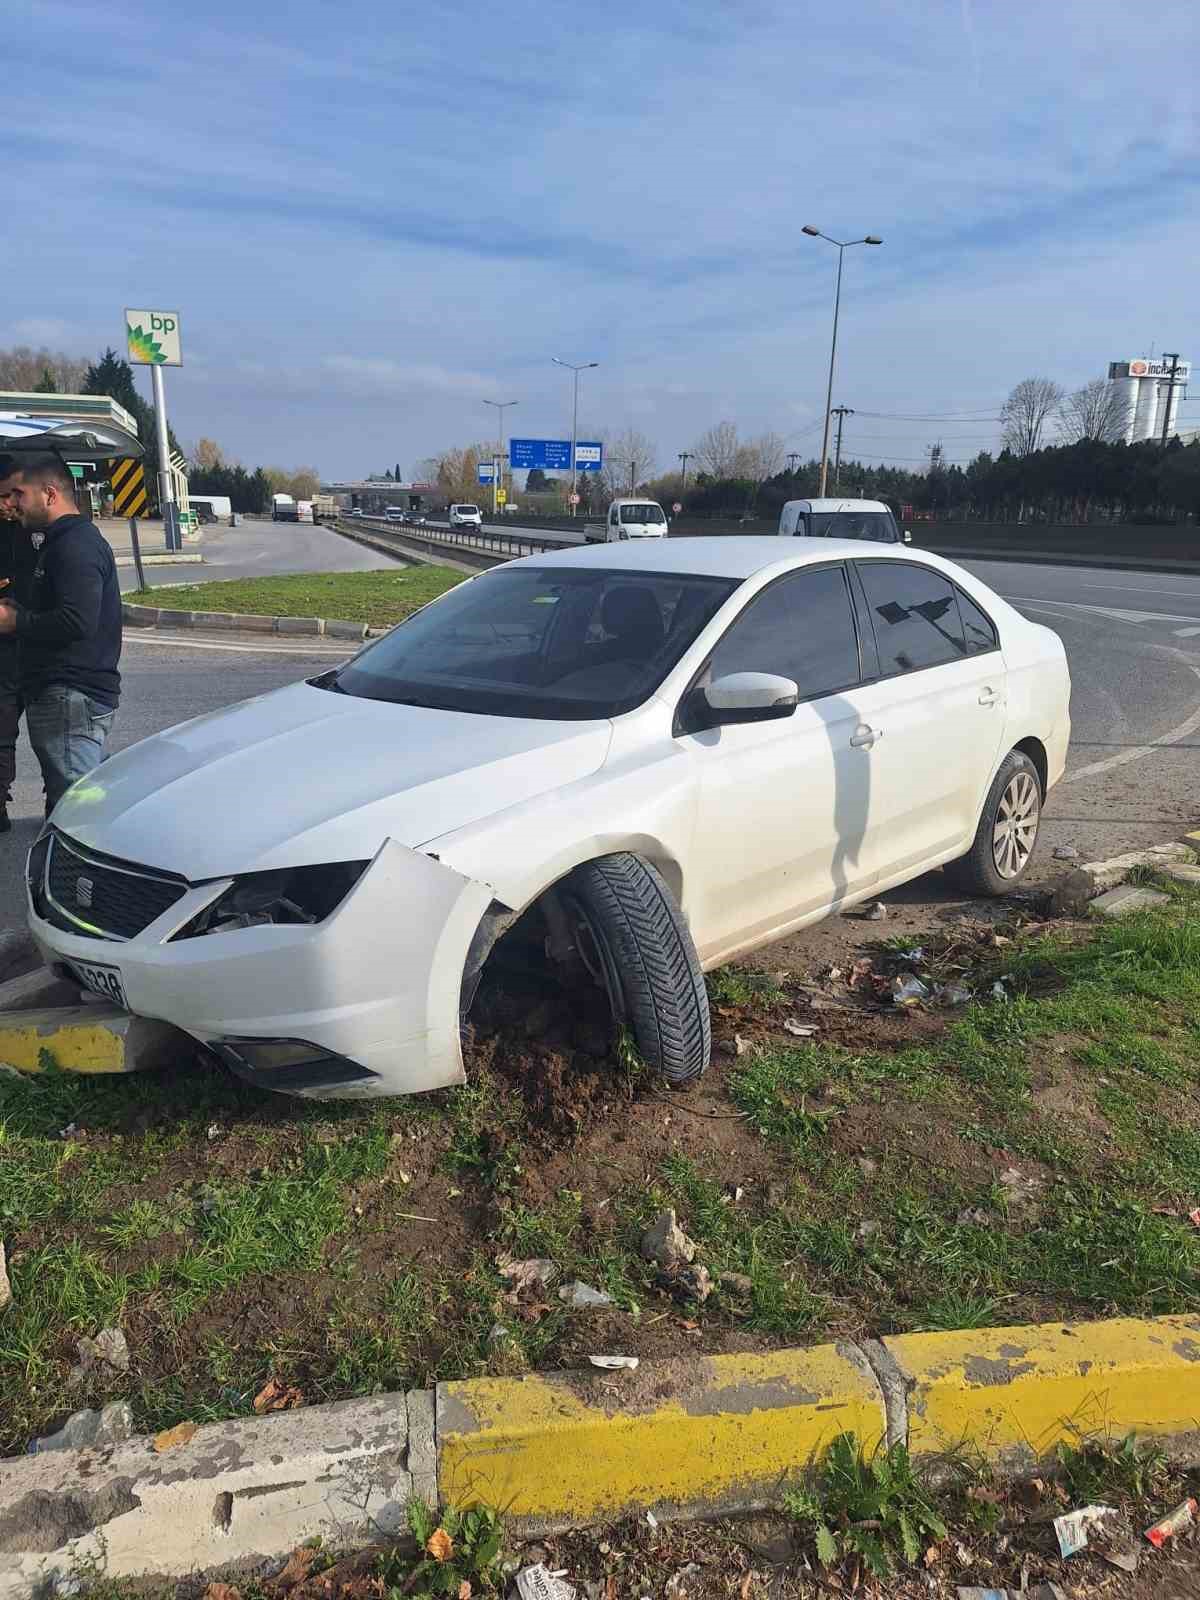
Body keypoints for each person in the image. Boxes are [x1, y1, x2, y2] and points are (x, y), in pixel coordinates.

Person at [0, 453, 122, 815]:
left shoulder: (75, 546)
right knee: (71, 803)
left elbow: (77, 621)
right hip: (63, 695)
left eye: (19, 494)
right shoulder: (54, 541)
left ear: (49, 494)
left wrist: (14, 623)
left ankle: (79, 872)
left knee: (78, 813)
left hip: (70, 695)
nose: (12, 503)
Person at [0, 498, 37, 833]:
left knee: (55, 735)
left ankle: (61, 801)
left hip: (35, 642)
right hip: (7, 648)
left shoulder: (34, 530)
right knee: (3, 729)